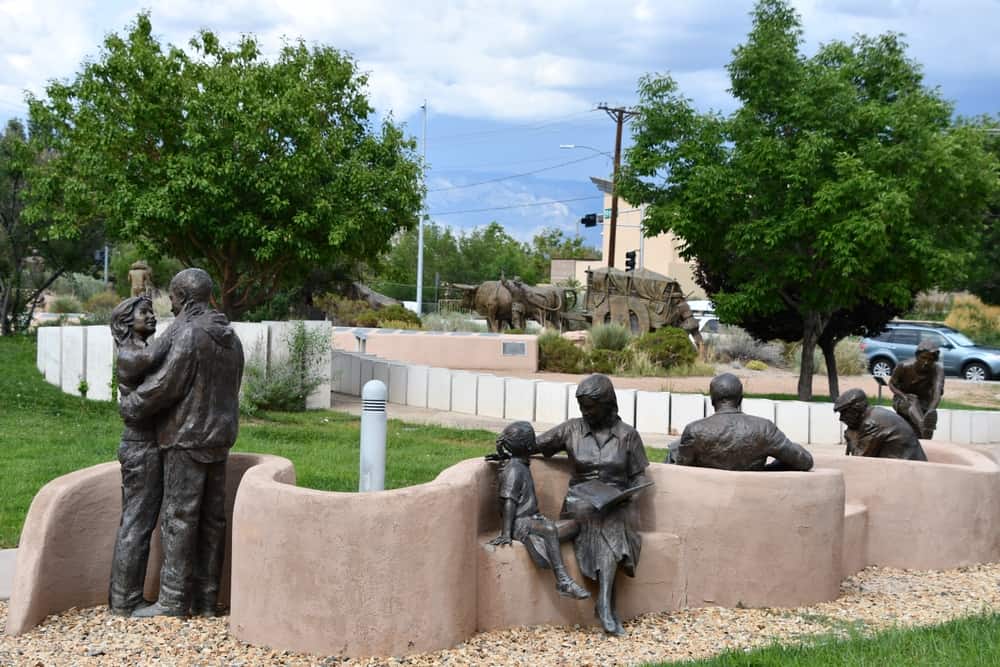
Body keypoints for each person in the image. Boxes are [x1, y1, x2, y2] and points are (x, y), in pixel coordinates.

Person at [121, 268, 244, 618]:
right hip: (220, 438)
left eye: (173, 299)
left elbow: (165, 386)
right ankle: (206, 600)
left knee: (180, 517)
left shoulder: (189, 335)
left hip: (185, 439)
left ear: (184, 298)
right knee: (212, 519)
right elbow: (231, 387)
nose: (171, 308)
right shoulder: (230, 337)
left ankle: (173, 601)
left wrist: (130, 405)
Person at [535, 374, 651, 636]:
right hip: (580, 501)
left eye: (590, 406)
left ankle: (604, 603)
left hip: (614, 504)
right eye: (582, 406)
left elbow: (639, 475)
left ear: (607, 403)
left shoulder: (628, 435)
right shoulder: (571, 429)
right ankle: (606, 606)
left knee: (611, 519)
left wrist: (633, 496)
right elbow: (535, 444)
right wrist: (510, 445)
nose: (585, 412)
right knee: (601, 519)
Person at [107, 295, 171, 615]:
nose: (152, 317)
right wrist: (184, 328)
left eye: (151, 311)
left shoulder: (140, 349)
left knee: (135, 523)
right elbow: (162, 363)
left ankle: (123, 598)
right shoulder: (132, 354)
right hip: (140, 446)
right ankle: (126, 601)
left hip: (145, 445)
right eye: (144, 313)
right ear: (125, 321)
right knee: (137, 525)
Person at [488, 421, 590, 600]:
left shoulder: (519, 464)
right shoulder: (514, 469)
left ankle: (538, 541)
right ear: (529, 446)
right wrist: (506, 532)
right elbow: (508, 503)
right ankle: (563, 581)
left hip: (534, 520)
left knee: (575, 524)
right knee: (550, 530)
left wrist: (501, 455)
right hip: (521, 523)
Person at [667, 373, 813, 471]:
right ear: (741, 399)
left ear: (712, 400)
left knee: (672, 450)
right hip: (752, 497)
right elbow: (804, 461)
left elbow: (679, 467)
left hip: (707, 497)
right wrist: (768, 469)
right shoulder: (765, 428)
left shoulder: (694, 430)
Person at [834, 388, 928, 461]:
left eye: (844, 413)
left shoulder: (870, 423)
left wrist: (852, 438)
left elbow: (860, 458)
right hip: (906, 466)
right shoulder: (875, 413)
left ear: (856, 409)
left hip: (908, 472)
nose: (841, 418)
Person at [889, 340, 945, 439]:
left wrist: (930, 411)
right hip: (903, 399)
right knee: (912, 401)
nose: (926, 362)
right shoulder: (903, 366)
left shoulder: (937, 370)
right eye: (923, 358)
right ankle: (923, 426)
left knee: (917, 403)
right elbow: (892, 384)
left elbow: (937, 392)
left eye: (930, 359)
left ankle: (924, 425)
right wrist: (903, 396)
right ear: (917, 356)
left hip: (924, 402)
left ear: (934, 360)